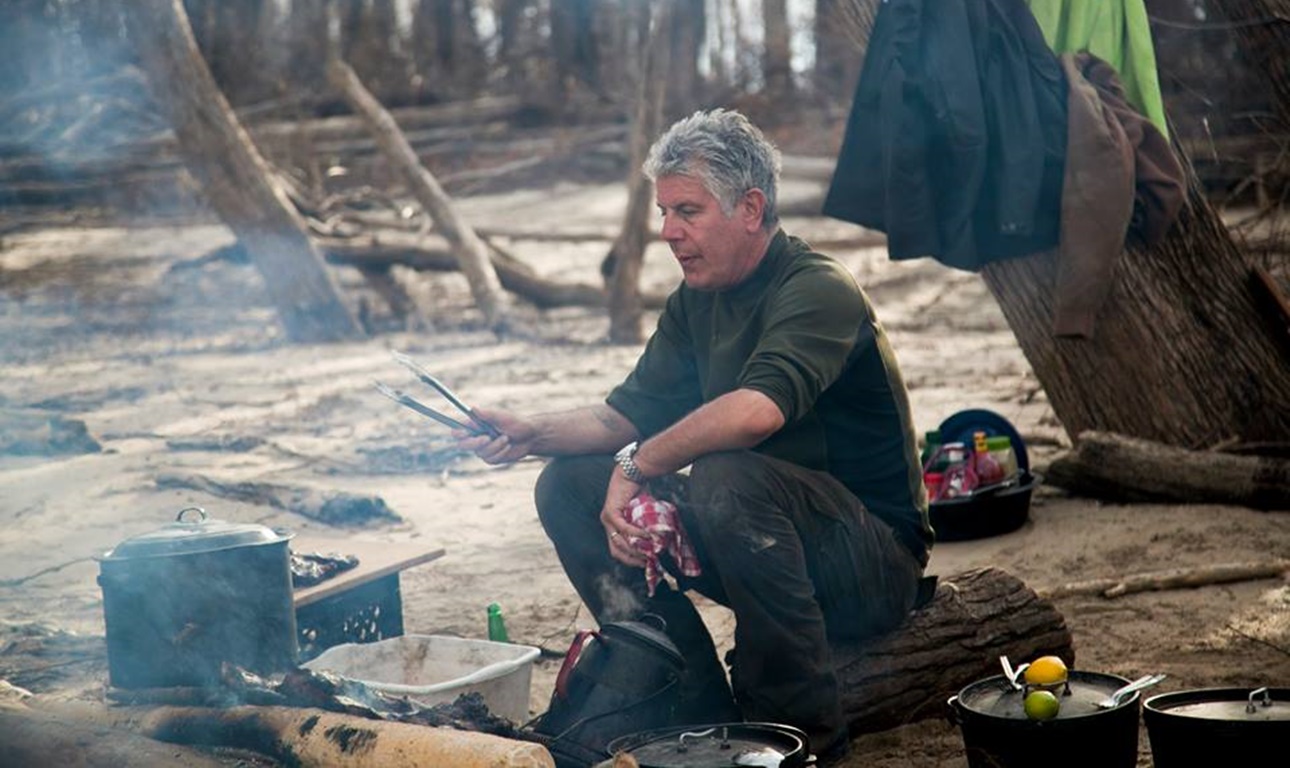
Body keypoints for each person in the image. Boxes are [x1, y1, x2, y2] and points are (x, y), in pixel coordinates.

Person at [458, 108, 933, 763]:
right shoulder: (696, 299)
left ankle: (796, 739)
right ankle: (688, 698)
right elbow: (619, 420)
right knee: (569, 482)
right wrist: (527, 431)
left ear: (750, 207)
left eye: (687, 211)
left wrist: (636, 464)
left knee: (724, 473)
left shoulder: (817, 286)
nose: (667, 233)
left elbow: (756, 412)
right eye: (664, 213)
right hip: (758, 537)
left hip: (870, 563)